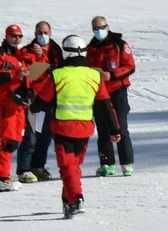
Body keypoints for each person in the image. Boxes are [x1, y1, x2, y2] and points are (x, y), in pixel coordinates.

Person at [28, 35, 121, 218]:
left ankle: (76, 199)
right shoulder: (94, 75)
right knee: (73, 168)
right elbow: (105, 105)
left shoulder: (58, 75)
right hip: (84, 130)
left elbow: (42, 103)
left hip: (63, 129)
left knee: (68, 168)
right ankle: (68, 202)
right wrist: (114, 129)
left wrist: (32, 105)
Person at [86, 14, 137, 176]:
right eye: (95, 28)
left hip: (117, 91)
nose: (99, 31)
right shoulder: (91, 48)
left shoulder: (119, 45)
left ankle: (127, 163)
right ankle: (107, 164)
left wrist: (112, 75)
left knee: (121, 127)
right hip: (100, 93)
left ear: (108, 27)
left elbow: (130, 66)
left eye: (101, 27)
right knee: (103, 128)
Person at [0, 24, 32, 192]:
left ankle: (0, 175)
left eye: (19, 36)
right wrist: (15, 74)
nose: (17, 39)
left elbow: (26, 78)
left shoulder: (19, 56)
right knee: (9, 141)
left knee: (15, 141)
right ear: (6, 36)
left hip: (17, 104)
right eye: (13, 36)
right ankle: (0, 177)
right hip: (4, 103)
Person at [16, 22, 56, 183]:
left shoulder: (56, 50)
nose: (42, 35)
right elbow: (24, 74)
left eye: (45, 32)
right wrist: (39, 60)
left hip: (49, 100)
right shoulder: (27, 51)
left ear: (50, 32)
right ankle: (24, 169)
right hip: (32, 100)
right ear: (34, 33)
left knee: (45, 136)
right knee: (31, 135)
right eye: (39, 32)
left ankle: (38, 166)